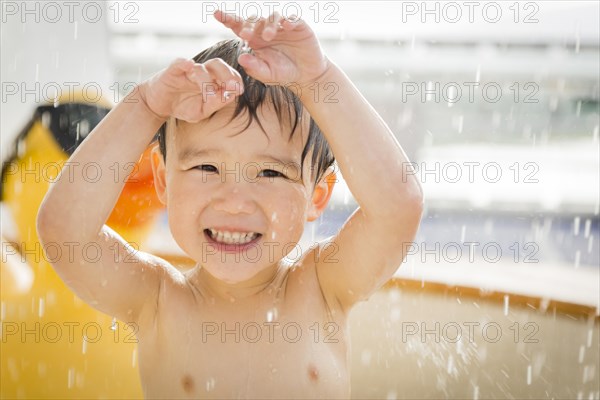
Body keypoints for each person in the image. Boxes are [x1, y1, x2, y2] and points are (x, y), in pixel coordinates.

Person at [37, 10, 423, 399]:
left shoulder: (323, 287)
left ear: (317, 196)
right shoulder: (156, 300)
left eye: (271, 174)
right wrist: (146, 107)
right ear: (163, 180)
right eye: (207, 166)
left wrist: (318, 80)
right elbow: (64, 231)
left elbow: (397, 207)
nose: (235, 202)